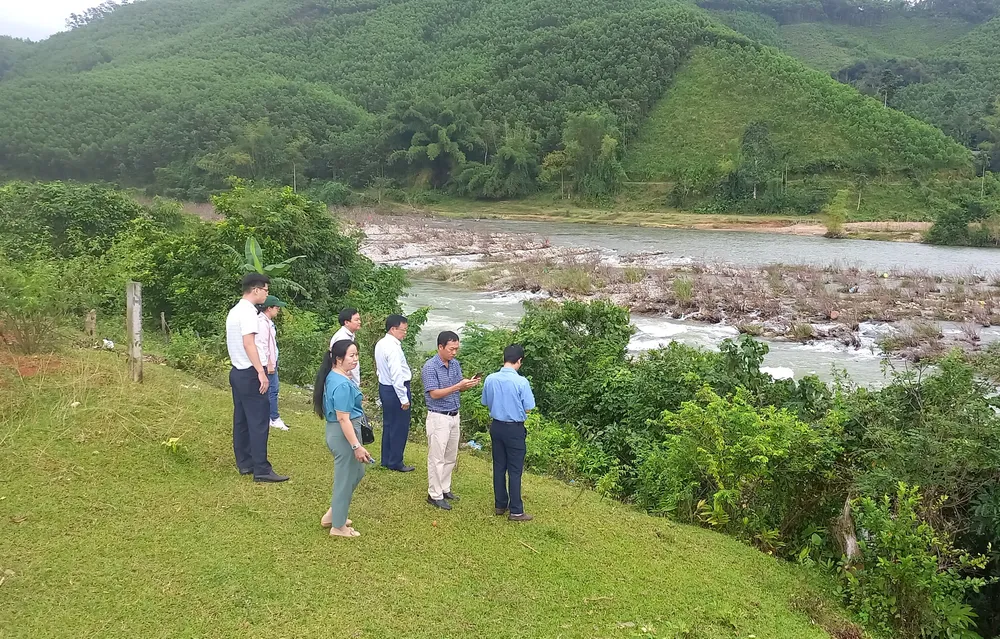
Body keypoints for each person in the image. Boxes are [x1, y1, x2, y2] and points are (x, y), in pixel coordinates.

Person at [226, 273, 288, 483]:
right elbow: (249, 343)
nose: (266, 294)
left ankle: (245, 463)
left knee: (241, 419)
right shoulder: (250, 313)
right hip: (251, 372)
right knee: (259, 420)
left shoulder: (235, 311)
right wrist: (261, 372)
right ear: (255, 290)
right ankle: (261, 469)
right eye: (265, 290)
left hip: (237, 371)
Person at [315, 340, 372, 538]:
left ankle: (334, 514)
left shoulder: (336, 376)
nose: (355, 359)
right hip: (343, 434)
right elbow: (343, 418)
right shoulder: (341, 384)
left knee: (357, 472)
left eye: (357, 355)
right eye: (351, 355)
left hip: (344, 431)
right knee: (345, 479)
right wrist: (356, 446)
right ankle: (338, 527)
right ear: (339, 359)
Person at [421, 331, 480, 510]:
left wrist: (467, 384)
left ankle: (444, 488)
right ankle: (434, 494)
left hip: (454, 415)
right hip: (438, 416)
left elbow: (458, 387)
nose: (454, 352)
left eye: (456, 349)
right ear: (440, 347)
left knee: (450, 456)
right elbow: (434, 393)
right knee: (436, 457)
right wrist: (457, 386)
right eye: (451, 349)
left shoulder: (454, 364)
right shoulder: (430, 367)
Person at [481, 344, 535, 521]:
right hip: (514, 428)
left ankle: (500, 504)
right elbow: (528, 407)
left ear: (504, 358)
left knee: (499, 466)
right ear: (519, 361)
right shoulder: (521, 382)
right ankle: (516, 510)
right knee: (514, 470)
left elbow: (486, 402)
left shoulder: (490, 379)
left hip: (496, 426)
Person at [374, 314, 414, 472]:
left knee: (389, 424)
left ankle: (387, 459)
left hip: (385, 387)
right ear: (393, 329)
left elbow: (379, 369)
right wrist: (403, 398)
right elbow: (397, 375)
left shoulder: (381, 343)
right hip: (396, 389)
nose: (405, 333)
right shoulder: (393, 348)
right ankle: (396, 461)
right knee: (399, 426)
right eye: (403, 330)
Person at [255, 295, 289, 431]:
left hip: (271, 361)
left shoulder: (267, 322)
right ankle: (273, 418)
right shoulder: (262, 323)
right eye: (276, 307)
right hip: (268, 362)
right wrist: (269, 363)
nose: (278, 310)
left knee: (271, 390)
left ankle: (268, 416)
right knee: (272, 390)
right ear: (269, 308)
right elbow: (262, 345)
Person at [330, 308, 362, 388]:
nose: (359, 322)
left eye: (359, 319)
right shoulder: (342, 338)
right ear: (347, 322)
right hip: (345, 379)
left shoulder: (349, 335)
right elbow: (341, 361)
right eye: (356, 320)